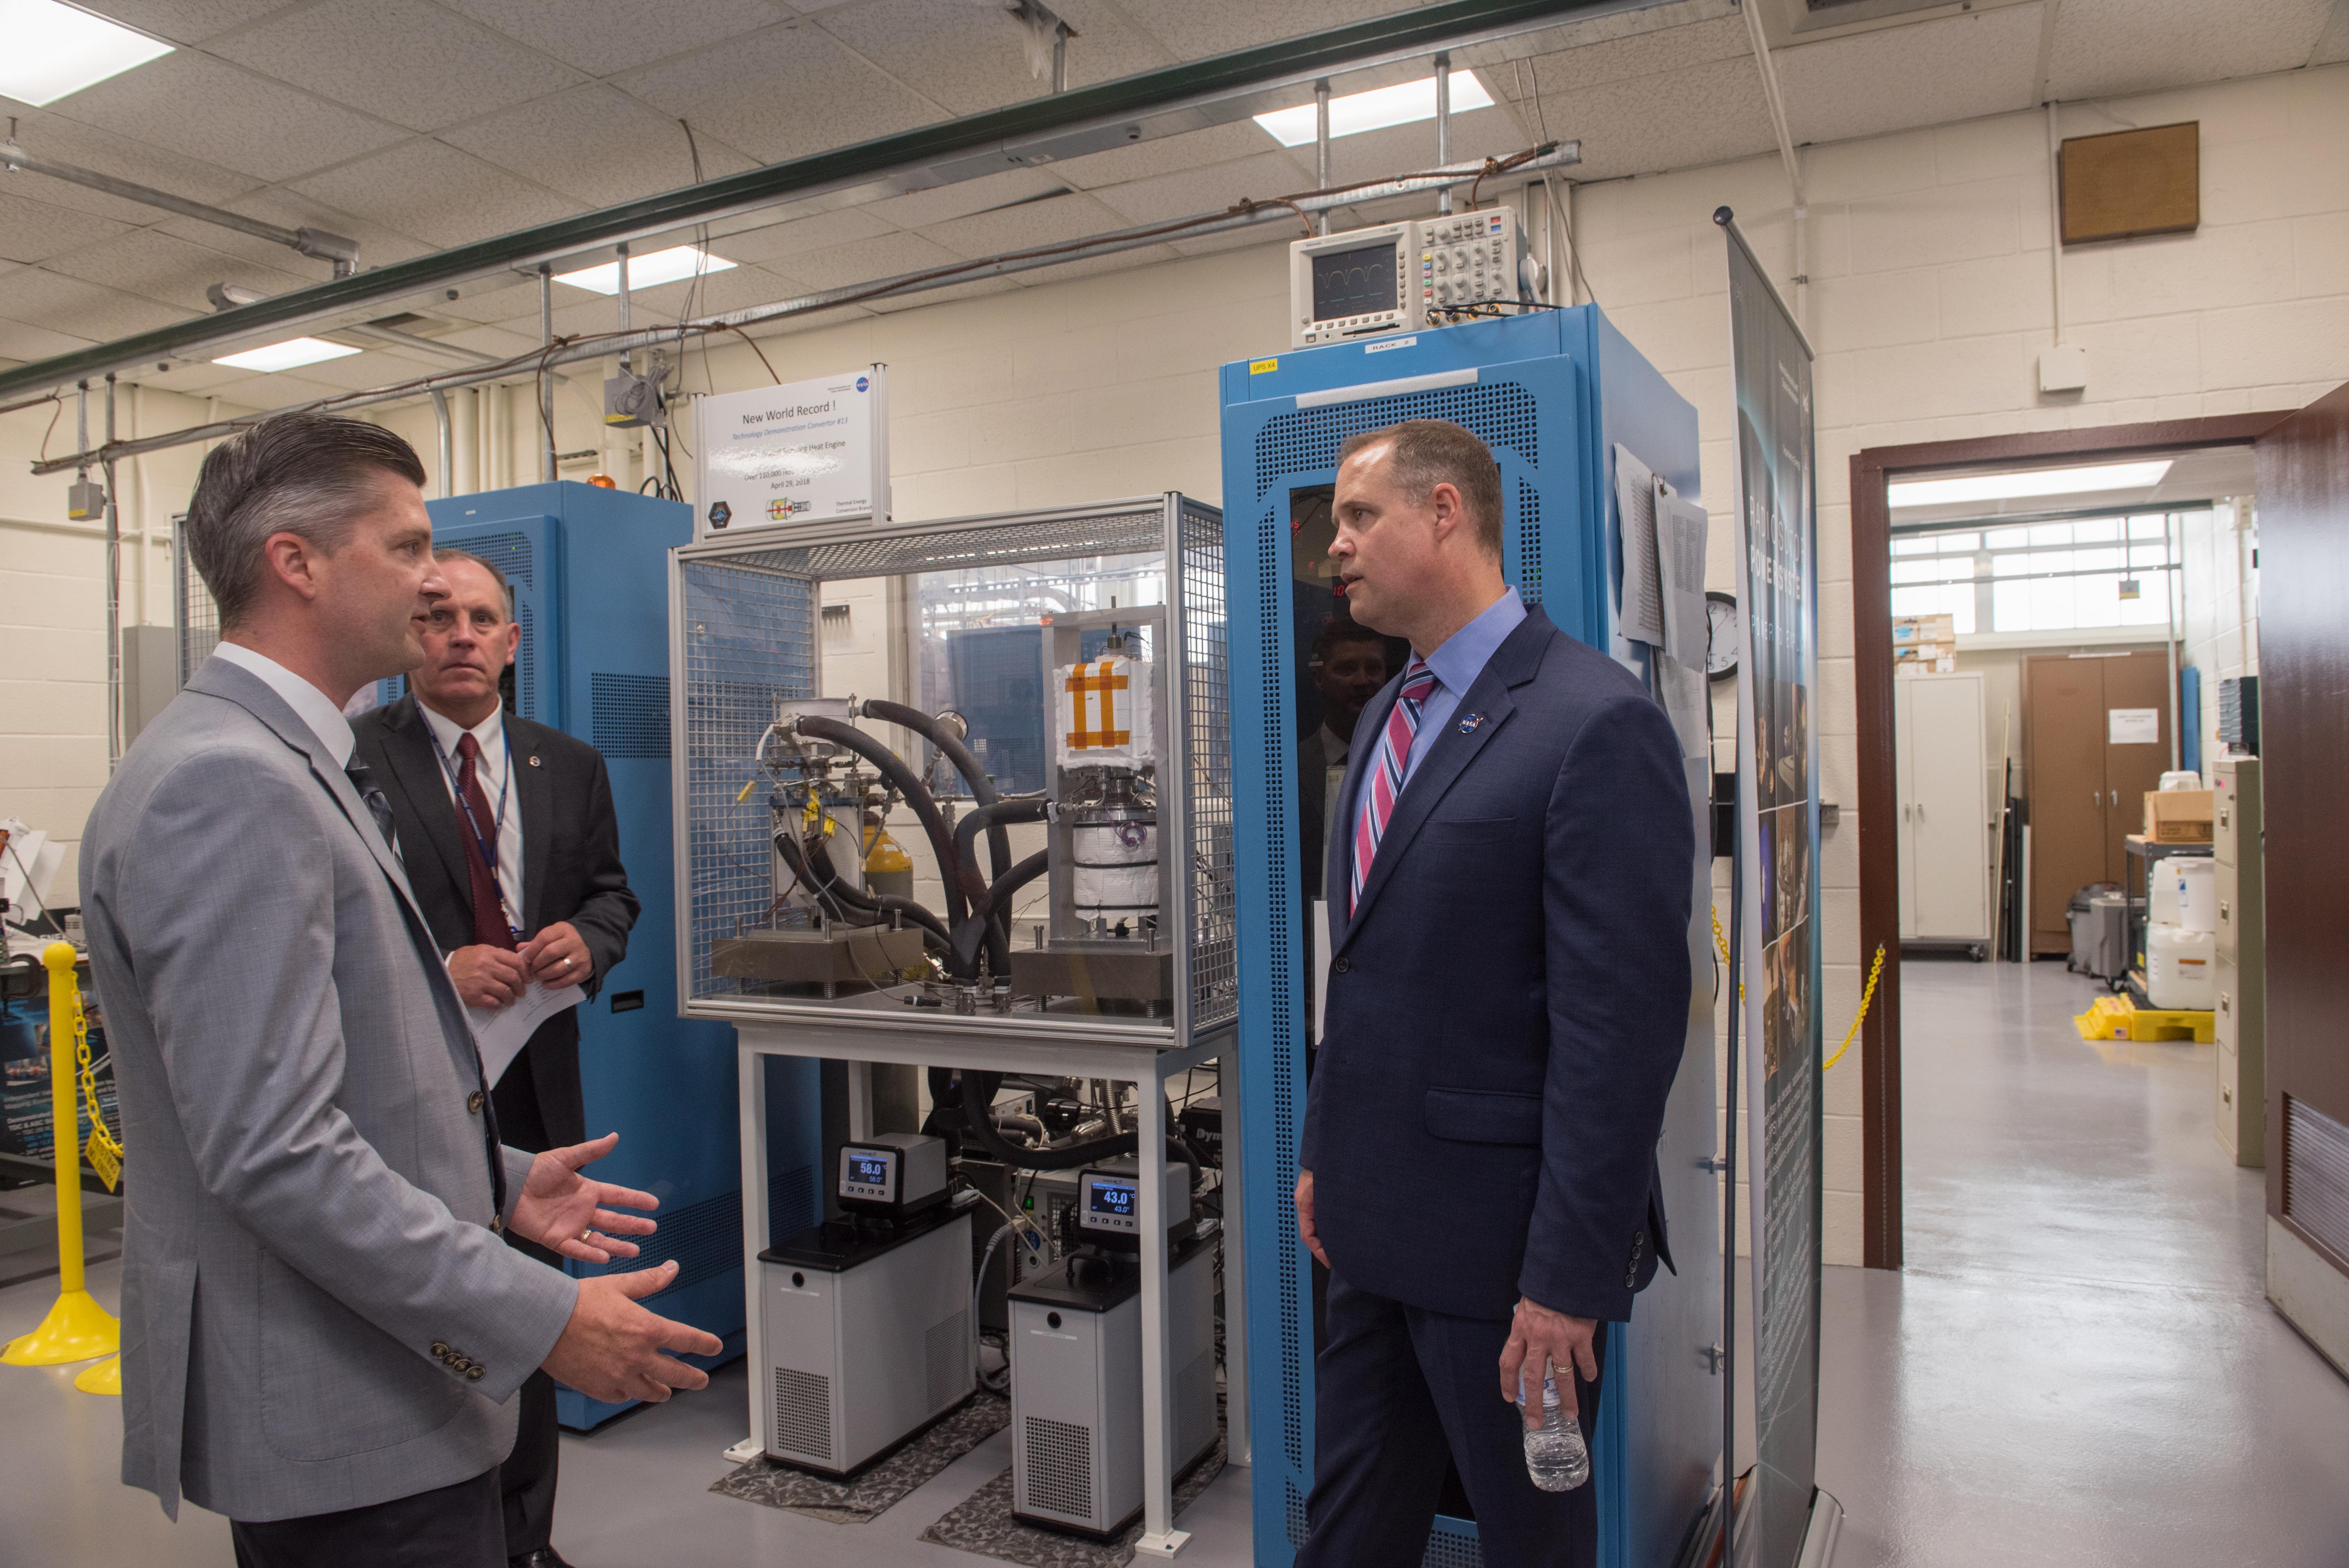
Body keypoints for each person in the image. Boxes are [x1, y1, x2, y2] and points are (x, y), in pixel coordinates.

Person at [78, 413, 723, 1567]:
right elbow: (276, 1154)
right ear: (297, 562)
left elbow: (338, 1076)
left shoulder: (276, 759)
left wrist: (498, 1177)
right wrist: (547, 1315)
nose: (434, 584)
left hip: (381, 1383)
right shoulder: (227, 784)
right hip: (344, 1411)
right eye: (408, 545)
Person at [1292, 419, 1693, 1568]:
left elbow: (1616, 1037)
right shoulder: (1383, 715)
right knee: (1351, 1531)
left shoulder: (1591, 723)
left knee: (1530, 1545)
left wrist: (1564, 1285)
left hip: (1505, 1259)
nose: (1337, 549)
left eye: (1360, 517)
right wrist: (1326, 1152)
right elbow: (1358, 972)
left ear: (1444, 515)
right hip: (1372, 1231)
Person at [351, 550, 637, 1568]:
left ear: (513, 643)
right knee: (424, 1320)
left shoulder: (568, 764)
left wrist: (587, 942)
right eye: (436, 617)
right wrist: (442, 963)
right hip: (409, 1096)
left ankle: (525, 1540)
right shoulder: (352, 761)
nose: (459, 635)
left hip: (532, 1093)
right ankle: (445, 1535)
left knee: (533, 1321)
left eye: (480, 619)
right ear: (408, 638)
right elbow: (338, 937)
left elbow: (614, 896)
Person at [1297, 616, 1394, 902]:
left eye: (1373, 668)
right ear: (1319, 679)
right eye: (1347, 669)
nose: (1363, 681)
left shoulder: (1407, 758)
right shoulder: (1288, 768)